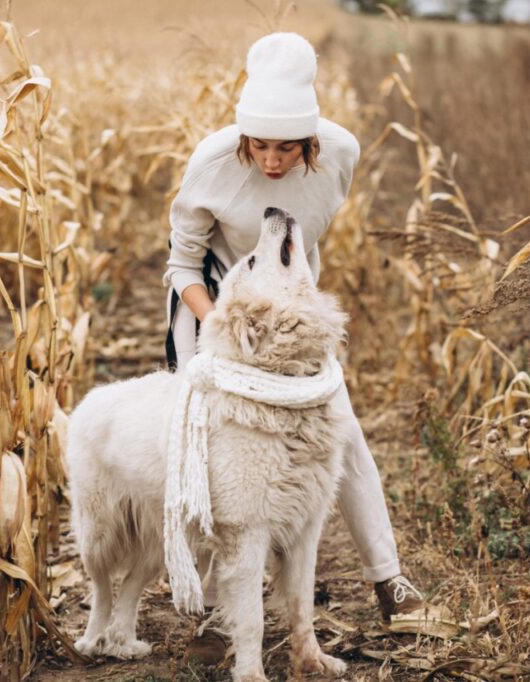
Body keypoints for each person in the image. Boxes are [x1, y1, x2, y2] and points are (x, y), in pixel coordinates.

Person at [163, 32, 429, 664]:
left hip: (292, 308)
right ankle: (211, 612)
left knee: (340, 429)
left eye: (287, 148)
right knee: (209, 445)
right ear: (242, 138)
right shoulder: (210, 163)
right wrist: (221, 331)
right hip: (217, 304)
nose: (273, 161)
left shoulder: (342, 153)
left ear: (312, 142)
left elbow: (305, 245)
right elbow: (181, 265)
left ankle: (389, 579)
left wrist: (296, 313)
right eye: (260, 146)